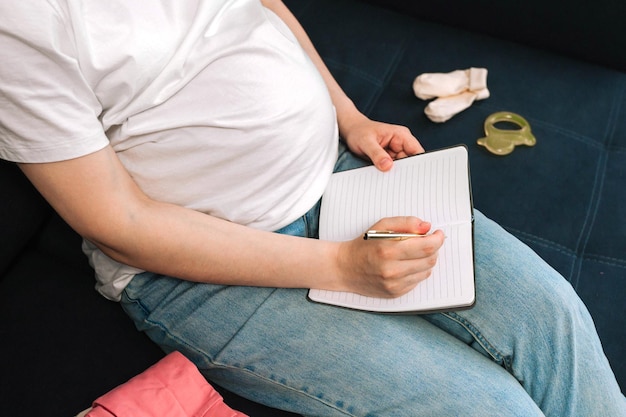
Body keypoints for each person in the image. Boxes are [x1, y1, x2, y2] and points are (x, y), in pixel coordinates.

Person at [0, 1, 624, 416]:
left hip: (341, 174)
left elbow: (261, 9)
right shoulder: (20, 24)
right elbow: (119, 223)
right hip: (204, 273)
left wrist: (347, 117)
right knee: (492, 410)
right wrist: (341, 267)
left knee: (553, 318)